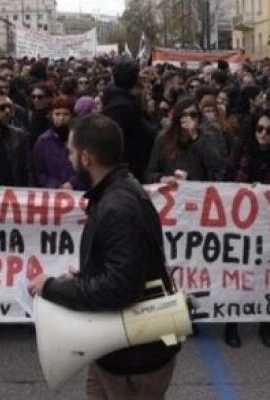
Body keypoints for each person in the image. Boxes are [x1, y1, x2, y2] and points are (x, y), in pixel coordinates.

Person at [28, 114, 179, 398]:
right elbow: (124, 268)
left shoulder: (117, 206)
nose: (69, 159)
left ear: (86, 157)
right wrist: (86, 276)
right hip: (118, 350)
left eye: (71, 152)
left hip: (133, 359)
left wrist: (52, 287)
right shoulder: (116, 191)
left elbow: (120, 288)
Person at [222, 108, 270, 350]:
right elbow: (226, 181)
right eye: (259, 129)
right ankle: (231, 324)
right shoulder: (240, 152)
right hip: (241, 225)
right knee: (238, 276)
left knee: (267, 277)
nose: (263, 134)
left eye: (269, 131)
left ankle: (266, 325)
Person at [102, 59, 158, 183]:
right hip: (128, 167)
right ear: (133, 79)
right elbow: (142, 130)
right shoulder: (122, 107)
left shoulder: (122, 101)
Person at [145, 98, 224, 184]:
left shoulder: (207, 137)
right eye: (183, 115)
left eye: (193, 115)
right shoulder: (164, 139)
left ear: (199, 117)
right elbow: (150, 173)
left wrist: (195, 136)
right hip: (172, 193)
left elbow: (216, 166)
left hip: (197, 192)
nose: (188, 119)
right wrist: (162, 178)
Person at [33, 97, 84, 190]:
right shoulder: (43, 141)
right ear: (52, 116)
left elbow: (86, 167)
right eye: (57, 114)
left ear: (72, 116)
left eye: (65, 114)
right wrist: (56, 186)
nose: (61, 118)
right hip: (52, 194)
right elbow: (38, 172)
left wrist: (72, 182)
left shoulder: (80, 139)